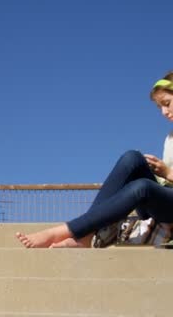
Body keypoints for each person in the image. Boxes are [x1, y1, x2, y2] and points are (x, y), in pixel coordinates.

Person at [16, 72, 173, 248]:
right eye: (160, 107)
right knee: (132, 157)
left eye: (167, 104)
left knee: (142, 186)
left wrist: (167, 172)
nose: (164, 112)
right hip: (164, 204)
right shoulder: (170, 137)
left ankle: (63, 231)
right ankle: (85, 235)